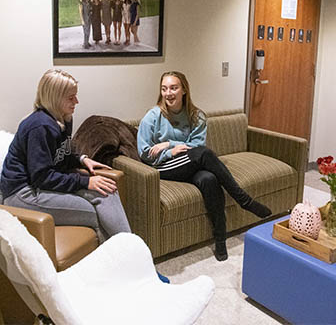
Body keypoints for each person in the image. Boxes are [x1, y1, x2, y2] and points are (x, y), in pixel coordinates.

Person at [0, 69, 170, 283]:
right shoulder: (39, 127)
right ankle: (123, 272)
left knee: (107, 190)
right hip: (22, 194)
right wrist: (86, 181)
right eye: (71, 97)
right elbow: (41, 177)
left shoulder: (63, 118)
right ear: (54, 97)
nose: (77, 101)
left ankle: (137, 264)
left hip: (42, 185)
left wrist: (81, 160)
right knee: (92, 212)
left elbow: (61, 156)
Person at [137, 71, 272, 261]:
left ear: (184, 90)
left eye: (174, 88)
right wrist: (169, 153)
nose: (168, 93)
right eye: (164, 88)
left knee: (209, 179)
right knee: (205, 153)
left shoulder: (196, 115)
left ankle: (220, 241)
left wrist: (169, 144)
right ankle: (244, 200)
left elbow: (195, 146)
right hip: (163, 166)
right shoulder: (153, 116)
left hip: (189, 162)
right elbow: (144, 152)